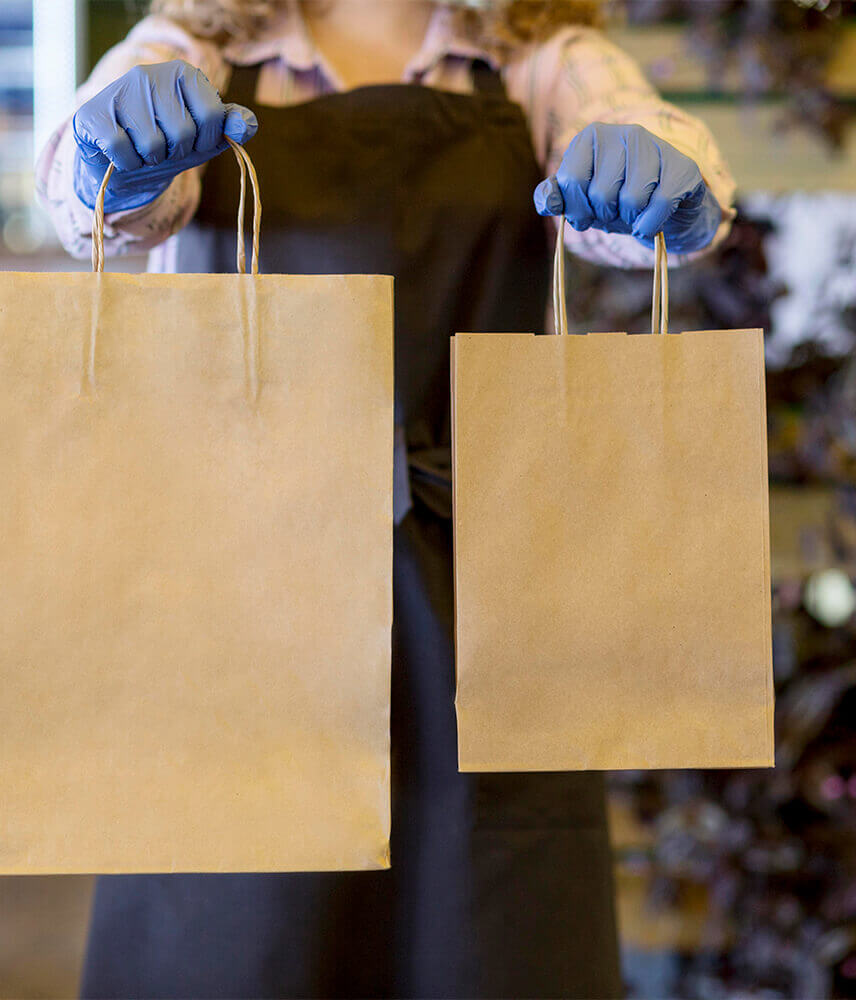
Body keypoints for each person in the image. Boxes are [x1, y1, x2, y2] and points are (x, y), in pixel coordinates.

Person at [37, 2, 736, 997]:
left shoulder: (542, 66)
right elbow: (88, 192)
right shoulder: (194, 51)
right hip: (241, 595)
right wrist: (122, 156)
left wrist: (662, 184)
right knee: (229, 937)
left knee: (490, 937)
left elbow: (640, 140)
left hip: (488, 598)